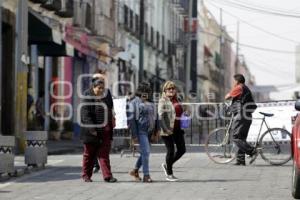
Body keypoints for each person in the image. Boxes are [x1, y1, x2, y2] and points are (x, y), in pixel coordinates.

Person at [80, 76, 117, 183]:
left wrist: (112, 120)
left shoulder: (106, 96)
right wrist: (93, 129)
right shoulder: (87, 97)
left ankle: (108, 176)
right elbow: (85, 115)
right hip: (91, 132)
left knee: (104, 154)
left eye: (102, 88)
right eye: (99, 88)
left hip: (105, 130)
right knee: (89, 155)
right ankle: (86, 175)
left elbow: (109, 109)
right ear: (93, 87)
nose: (101, 90)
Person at [225, 74, 257, 166]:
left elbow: (227, 97)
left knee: (235, 137)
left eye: (233, 81)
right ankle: (240, 160)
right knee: (241, 138)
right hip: (247, 116)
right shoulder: (245, 88)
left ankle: (252, 151)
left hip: (241, 115)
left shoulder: (239, 87)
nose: (233, 83)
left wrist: (230, 92)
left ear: (237, 81)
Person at [158, 81, 186, 181]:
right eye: (169, 89)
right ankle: (169, 175)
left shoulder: (176, 99)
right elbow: (160, 117)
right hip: (167, 130)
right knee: (170, 151)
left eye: (173, 88)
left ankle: (167, 165)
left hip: (178, 129)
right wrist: (166, 129)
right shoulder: (163, 101)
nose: (171, 90)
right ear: (164, 90)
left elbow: (178, 113)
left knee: (182, 150)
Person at [128, 82, 155, 183]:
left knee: (144, 152)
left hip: (150, 131)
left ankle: (135, 170)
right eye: (147, 91)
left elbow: (155, 117)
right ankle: (146, 175)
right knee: (146, 152)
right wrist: (134, 135)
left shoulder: (151, 102)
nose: (149, 93)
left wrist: (156, 130)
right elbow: (131, 120)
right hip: (141, 131)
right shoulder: (134, 102)